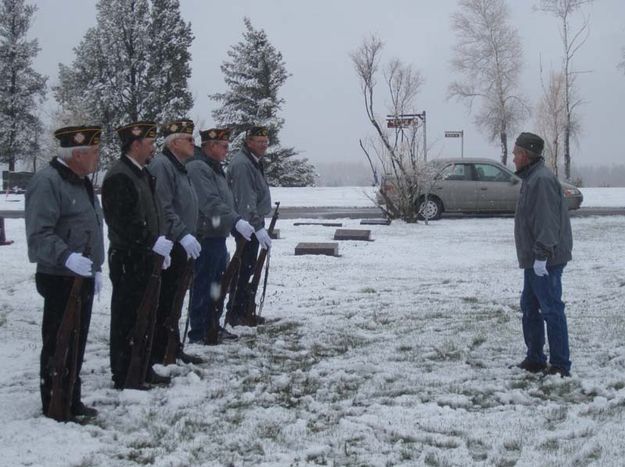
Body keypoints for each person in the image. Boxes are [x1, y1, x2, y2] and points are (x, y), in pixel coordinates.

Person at [25, 125, 105, 418]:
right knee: (60, 339)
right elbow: (39, 235)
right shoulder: (48, 182)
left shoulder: (79, 180)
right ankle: (55, 399)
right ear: (77, 153)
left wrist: (94, 268)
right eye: (94, 152)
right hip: (59, 276)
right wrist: (67, 257)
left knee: (76, 340)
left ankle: (71, 395)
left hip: (79, 275)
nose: (98, 157)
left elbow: (89, 226)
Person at [101, 121, 173, 389]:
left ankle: (140, 366)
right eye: (149, 142)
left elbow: (151, 213)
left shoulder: (141, 173)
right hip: (128, 257)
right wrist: (150, 242)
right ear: (135, 144)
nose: (153, 147)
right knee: (127, 316)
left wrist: (157, 242)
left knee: (145, 314)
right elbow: (123, 221)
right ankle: (125, 371)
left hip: (143, 256)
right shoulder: (121, 176)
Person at [512, 132, 573, 377]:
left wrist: (542, 256)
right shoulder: (531, 178)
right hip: (534, 259)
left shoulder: (541, 181)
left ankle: (559, 364)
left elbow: (546, 223)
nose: (513, 158)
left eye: (516, 153)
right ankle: (535, 358)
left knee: (550, 309)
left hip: (546, 259)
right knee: (530, 306)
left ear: (526, 155)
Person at [186, 128, 255, 344]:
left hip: (216, 234)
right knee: (204, 284)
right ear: (210, 146)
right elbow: (210, 202)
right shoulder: (199, 168)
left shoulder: (214, 168)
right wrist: (235, 220)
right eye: (223, 146)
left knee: (215, 284)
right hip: (205, 235)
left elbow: (224, 201)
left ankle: (212, 325)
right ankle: (199, 330)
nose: (227, 150)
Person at [148, 119, 204, 364]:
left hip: (183, 243)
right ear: (174, 142)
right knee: (167, 299)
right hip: (171, 244)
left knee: (176, 299)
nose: (194, 144)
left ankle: (172, 346)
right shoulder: (163, 166)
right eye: (189, 139)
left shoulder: (180, 166)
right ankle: (161, 350)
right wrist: (182, 233)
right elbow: (164, 207)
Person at [225, 126, 273, 327]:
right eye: (259, 141)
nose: (263, 145)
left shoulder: (252, 162)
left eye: (266, 141)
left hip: (251, 224)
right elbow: (246, 201)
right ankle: (236, 312)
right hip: (247, 226)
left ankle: (244, 309)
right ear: (248, 142)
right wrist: (257, 226)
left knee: (248, 268)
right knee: (242, 269)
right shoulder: (243, 165)